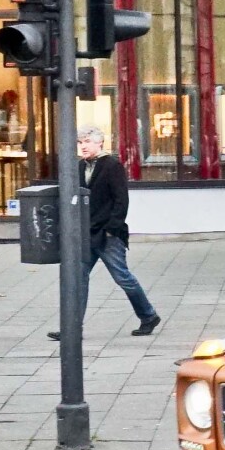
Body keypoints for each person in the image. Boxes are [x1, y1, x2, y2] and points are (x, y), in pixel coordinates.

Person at [53, 126, 160, 340]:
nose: (83, 146)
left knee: (122, 277)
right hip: (87, 233)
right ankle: (72, 329)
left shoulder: (112, 165)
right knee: (78, 279)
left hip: (108, 234)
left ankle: (148, 315)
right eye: (80, 142)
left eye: (87, 142)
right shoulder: (79, 166)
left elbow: (121, 200)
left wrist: (112, 228)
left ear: (99, 143)